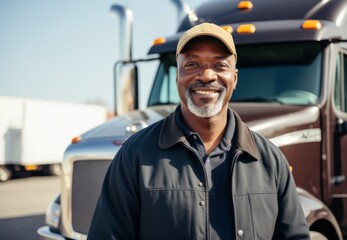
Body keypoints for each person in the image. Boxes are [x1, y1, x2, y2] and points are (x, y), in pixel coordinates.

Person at [87, 22, 310, 239]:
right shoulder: (134, 156)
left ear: (234, 78)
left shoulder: (270, 160)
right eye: (192, 65)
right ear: (177, 77)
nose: (206, 75)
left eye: (219, 65)